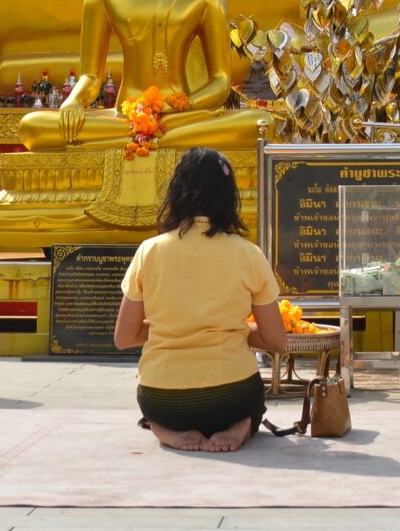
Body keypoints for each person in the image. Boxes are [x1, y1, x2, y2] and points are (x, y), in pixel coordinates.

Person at [114, 148, 285, 454]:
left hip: (164, 398)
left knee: (154, 405)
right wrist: (236, 332)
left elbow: (124, 337)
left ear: (176, 191)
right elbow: (275, 340)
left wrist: (171, 328)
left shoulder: (149, 251)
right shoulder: (248, 253)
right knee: (253, 402)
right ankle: (242, 424)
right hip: (232, 397)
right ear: (229, 195)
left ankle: (161, 427)